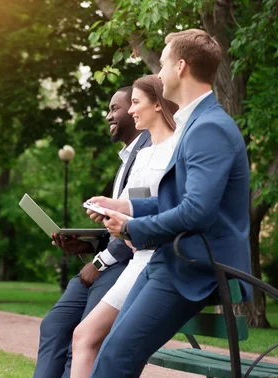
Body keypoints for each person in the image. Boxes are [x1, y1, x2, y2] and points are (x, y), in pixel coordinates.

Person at [88, 29, 252, 377]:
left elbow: (197, 212)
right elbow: (173, 201)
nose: (158, 74)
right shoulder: (193, 122)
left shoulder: (210, 128)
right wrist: (123, 208)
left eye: (162, 64)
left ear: (181, 66)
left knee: (116, 357)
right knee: (111, 354)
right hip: (171, 260)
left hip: (193, 269)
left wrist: (131, 228)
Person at [33, 87, 151, 378]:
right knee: (54, 325)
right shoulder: (127, 159)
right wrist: (86, 246)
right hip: (106, 258)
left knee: (84, 339)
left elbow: (143, 221)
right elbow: (118, 224)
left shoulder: (149, 153)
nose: (109, 115)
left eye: (117, 107)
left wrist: (98, 263)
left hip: (122, 264)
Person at [70, 74, 178, 378]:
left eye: (135, 102)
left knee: (107, 345)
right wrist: (111, 214)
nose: (130, 110)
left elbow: (174, 211)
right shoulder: (141, 156)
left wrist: (129, 227)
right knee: (84, 336)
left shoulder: (178, 148)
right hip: (138, 259)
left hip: (160, 264)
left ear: (157, 104)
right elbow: (136, 208)